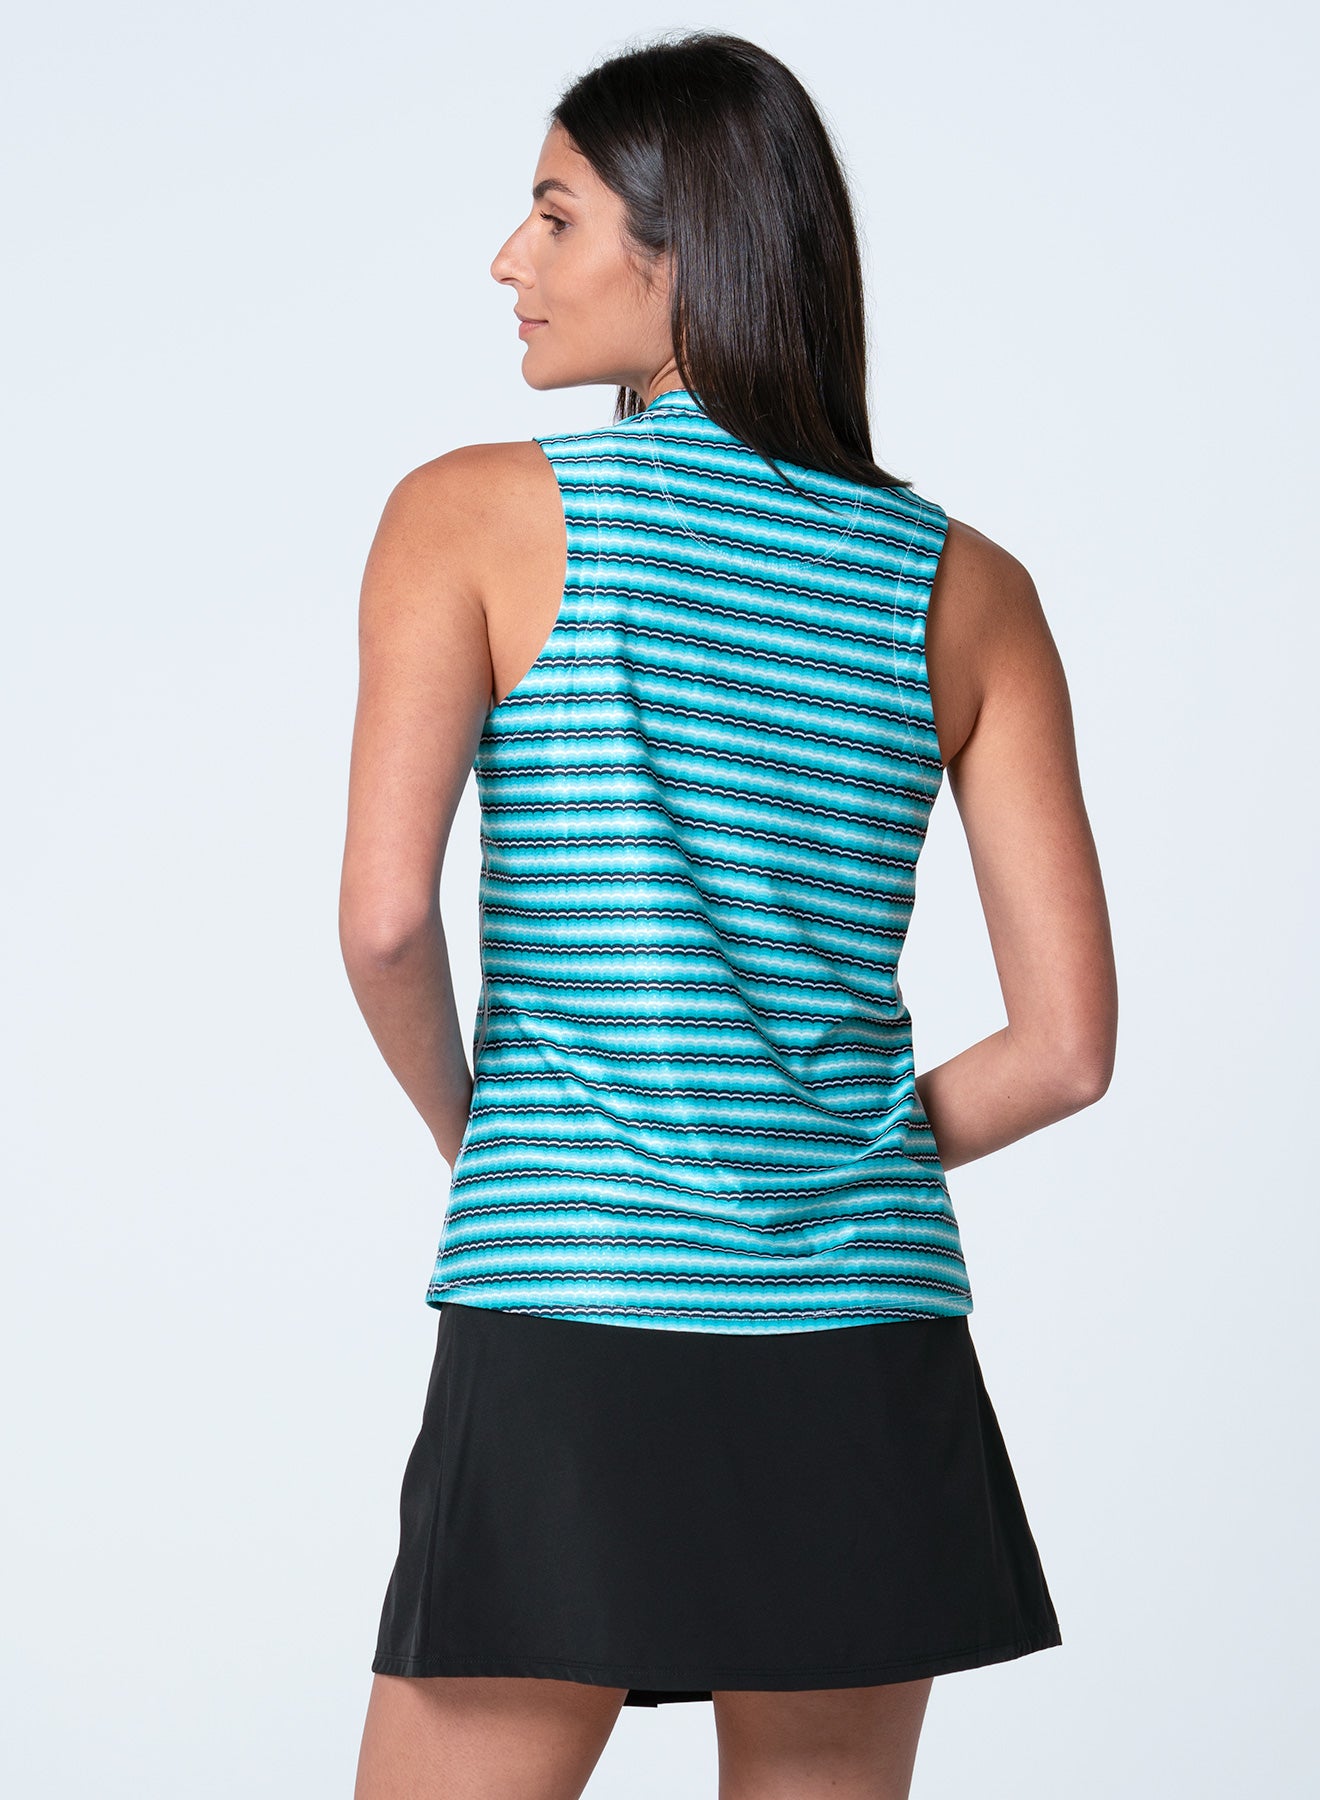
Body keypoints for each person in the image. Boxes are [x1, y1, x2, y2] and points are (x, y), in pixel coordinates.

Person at [339, 30, 1117, 1800]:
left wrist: (499, 1146)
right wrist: (821, 1147)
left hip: (575, 1307)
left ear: (684, 250)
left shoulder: (474, 516)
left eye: (555, 216)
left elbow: (385, 922)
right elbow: (1068, 1050)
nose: (509, 260)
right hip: (863, 1345)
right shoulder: (967, 588)